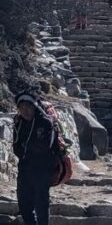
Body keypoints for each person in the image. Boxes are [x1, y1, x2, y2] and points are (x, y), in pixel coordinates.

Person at [12, 92, 56, 225]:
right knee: (24, 203)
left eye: (27, 107)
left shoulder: (45, 123)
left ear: (34, 107)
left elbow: (45, 146)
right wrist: (25, 151)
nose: (24, 111)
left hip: (43, 169)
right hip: (25, 168)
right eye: (21, 108)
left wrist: (26, 149)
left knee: (41, 203)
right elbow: (16, 145)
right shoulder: (19, 123)